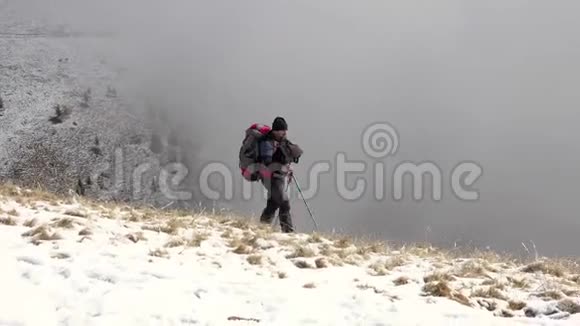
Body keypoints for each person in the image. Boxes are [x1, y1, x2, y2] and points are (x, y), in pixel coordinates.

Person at [256, 117, 303, 232]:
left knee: (273, 204)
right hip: (271, 178)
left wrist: (288, 165)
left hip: (280, 177)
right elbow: (267, 163)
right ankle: (288, 232)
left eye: (285, 130)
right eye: (283, 130)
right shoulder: (266, 142)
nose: (285, 132)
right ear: (276, 130)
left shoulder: (282, 141)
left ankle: (262, 228)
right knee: (284, 203)